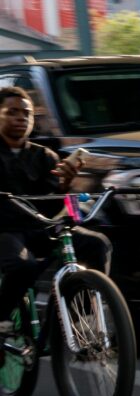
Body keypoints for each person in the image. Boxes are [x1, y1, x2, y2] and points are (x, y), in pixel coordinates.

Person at [0, 87, 111, 332]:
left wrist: (65, 183)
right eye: (12, 112)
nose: (21, 118)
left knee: (97, 244)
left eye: (26, 113)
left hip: (40, 228)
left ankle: (84, 318)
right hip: (6, 231)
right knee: (23, 266)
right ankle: (2, 317)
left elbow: (52, 206)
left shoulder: (44, 156)